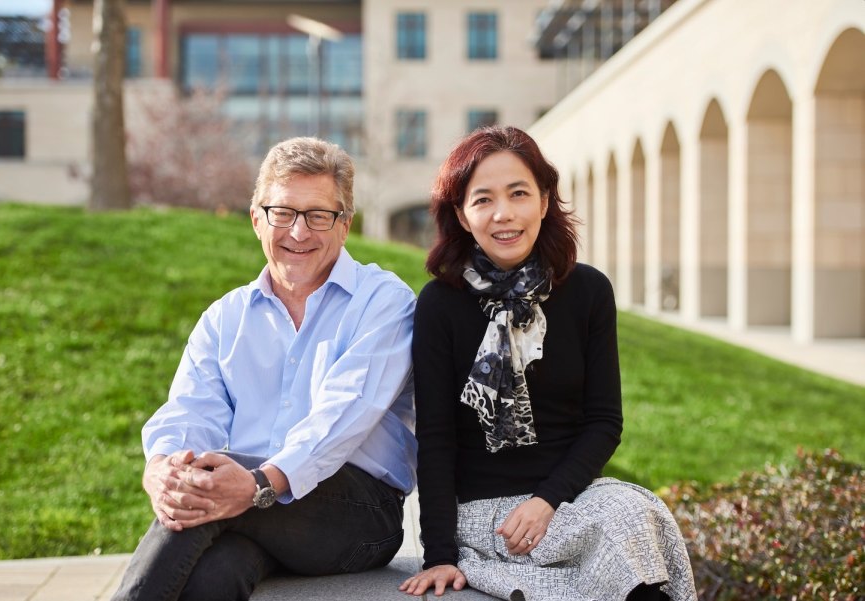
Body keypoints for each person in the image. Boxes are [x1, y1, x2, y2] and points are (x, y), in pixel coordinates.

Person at [112, 137, 417, 601]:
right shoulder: (225, 317)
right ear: (257, 219)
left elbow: (342, 417)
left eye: (318, 215)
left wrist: (257, 484)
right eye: (283, 213)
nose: (299, 232)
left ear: (344, 226)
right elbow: (191, 410)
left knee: (209, 493)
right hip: (247, 503)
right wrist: (161, 470)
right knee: (216, 572)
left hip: (357, 515)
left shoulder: (384, 302)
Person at [399, 126, 696, 601]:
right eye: (483, 200)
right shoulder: (440, 303)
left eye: (518, 193)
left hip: (570, 500)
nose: (504, 214)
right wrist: (438, 554)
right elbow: (435, 438)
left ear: (543, 200)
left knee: (633, 517)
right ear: (461, 214)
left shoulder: (589, 292)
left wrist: (547, 501)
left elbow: (604, 422)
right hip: (487, 515)